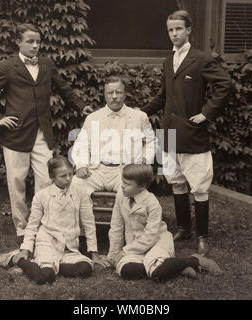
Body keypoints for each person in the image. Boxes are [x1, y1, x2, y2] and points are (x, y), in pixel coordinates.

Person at [0, 23, 93, 243]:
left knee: (46, 181)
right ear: (18, 42)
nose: (35, 45)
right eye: (30, 41)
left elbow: (64, 88)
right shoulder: (7, 66)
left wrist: (80, 105)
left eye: (38, 41)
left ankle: (43, 227)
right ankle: (22, 230)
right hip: (15, 135)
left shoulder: (47, 64)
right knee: (17, 182)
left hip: (42, 134)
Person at [141, 10, 233, 254]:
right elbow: (163, 96)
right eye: (170, 30)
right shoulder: (166, 61)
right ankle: (183, 228)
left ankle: (202, 236)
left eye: (179, 29)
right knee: (176, 183)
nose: (174, 34)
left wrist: (206, 113)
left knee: (199, 187)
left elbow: (225, 84)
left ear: (189, 30)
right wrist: (138, 113)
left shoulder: (201, 59)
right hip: (168, 134)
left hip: (193, 133)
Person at [103, 164, 221, 281]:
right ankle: (174, 267)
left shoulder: (152, 203)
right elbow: (116, 226)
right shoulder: (121, 195)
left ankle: (193, 261)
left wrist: (124, 251)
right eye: (122, 182)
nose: (122, 186)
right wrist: (113, 254)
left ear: (142, 186)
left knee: (157, 273)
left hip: (156, 242)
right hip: (134, 245)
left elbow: (150, 237)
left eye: (127, 184)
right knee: (126, 270)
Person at [2, 155, 104, 285]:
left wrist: (94, 253)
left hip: (70, 247)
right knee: (45, 276)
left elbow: (89, 223)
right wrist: (25, 249)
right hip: (47, 243)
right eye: (63, 176)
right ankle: (20, 261)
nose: (68, 179)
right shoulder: (42, 196)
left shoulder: (80, 193)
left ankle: (42, 266)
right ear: (52, 176)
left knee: (85, 268)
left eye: (70, 174)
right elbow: (32, 225)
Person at [71, 75, 156, 196]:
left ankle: (124, 215)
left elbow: (151, 141)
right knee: (74, 185)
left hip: (125, 171)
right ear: (105, 95)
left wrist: (145, 159)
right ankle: (83, 215)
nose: (114, 96)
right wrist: (81, 165)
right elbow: (81, 144)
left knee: (130, 191)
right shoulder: (92, 118)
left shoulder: (139, 116)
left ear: (125, 94)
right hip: (96, 171)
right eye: (110, 93)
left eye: (119, 92)